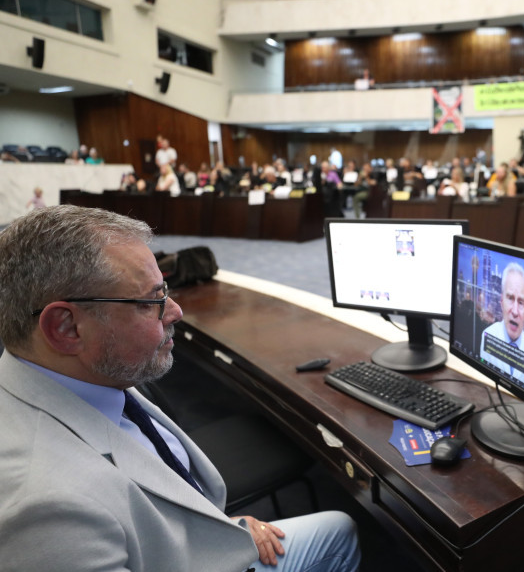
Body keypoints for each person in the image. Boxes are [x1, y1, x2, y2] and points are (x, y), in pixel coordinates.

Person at [0, 205, 361, 572]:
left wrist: (223, 528)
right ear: (67, 328)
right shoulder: (47, 511)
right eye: (151, 300)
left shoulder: (80, 373)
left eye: (165, 290)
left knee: (339, 530)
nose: (174, 311)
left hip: (205, 540)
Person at [479, 263, 524, 399]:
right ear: (501, 301)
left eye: (521, 302)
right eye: (510, 298)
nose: (515, 311)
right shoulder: (488, 336)